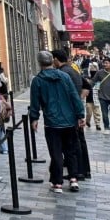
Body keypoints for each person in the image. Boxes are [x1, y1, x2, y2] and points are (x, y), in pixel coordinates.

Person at [29, 51, 84, 194]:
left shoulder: (37, 80)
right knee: (71, 151)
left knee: (56, 153)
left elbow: (35, 102)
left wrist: (34, 118)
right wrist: (80, 114)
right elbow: (74, 96)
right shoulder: (64, 76)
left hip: (52, 122)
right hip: (69, 119)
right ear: (52, 60)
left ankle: (57, 183)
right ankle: (73, 179)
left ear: (39, 62)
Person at [52, 50, 93, 181]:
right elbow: (87, 85)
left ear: (56, 59)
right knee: (79, 140)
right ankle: (84, 170)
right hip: (75, 110)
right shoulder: (72, 70)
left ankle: (77, 172)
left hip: (69, 112)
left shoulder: (63, 73)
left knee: (74, 143)